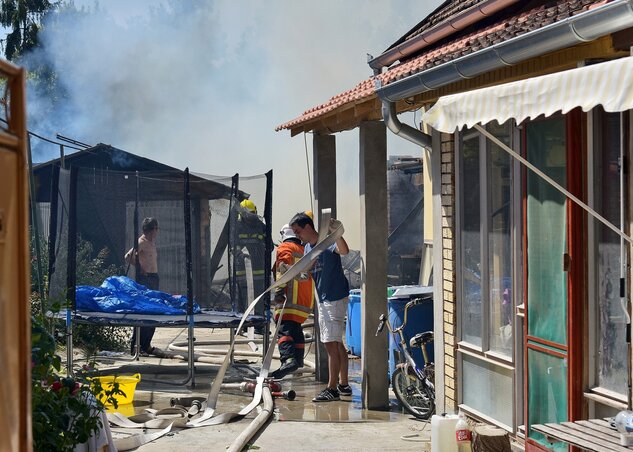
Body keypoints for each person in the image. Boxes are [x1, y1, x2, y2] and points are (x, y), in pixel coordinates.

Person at [289, 211, 351, 402]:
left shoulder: (327, 242)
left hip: (334, 297)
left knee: (330, 344)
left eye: (298, 231)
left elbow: (344, 251)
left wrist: (337, 233)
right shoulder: (309, 248)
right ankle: (343, 384)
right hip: (325, 298)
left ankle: (332, 389)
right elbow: (308, 268)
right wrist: (301, 273)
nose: (297, 236)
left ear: (308, 227)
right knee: (336, 342)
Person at [269, 224, 315, 379]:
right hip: (304, 302)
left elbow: (282, 270)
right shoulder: (305, 249)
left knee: (284, 330)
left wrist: (279, 294)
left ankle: (288, 360)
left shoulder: (284, 248)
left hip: (288, 300)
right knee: (296, 329)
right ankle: (298, 358)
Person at [124, 217, 159, 356]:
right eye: (155, 229)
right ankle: (136, 346)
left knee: (154, 311)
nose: (157, 232)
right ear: (151, 230)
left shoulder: (152, 242)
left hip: (153, 278)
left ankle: (146, 344)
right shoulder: (142, 242)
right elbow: (128, 256)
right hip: (146, 278)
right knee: (144, 312)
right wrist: (140, 268)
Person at [235, 199, 268, 331]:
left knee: (259, 298)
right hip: (242, 270)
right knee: (242, 298)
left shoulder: (261, 226)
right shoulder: (236, 227)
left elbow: (269, 245)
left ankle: (259, 326)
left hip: (259, 269)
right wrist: (240, 254)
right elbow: (232, 246)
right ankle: (242, 326)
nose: (250, 219)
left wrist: (261, 250)